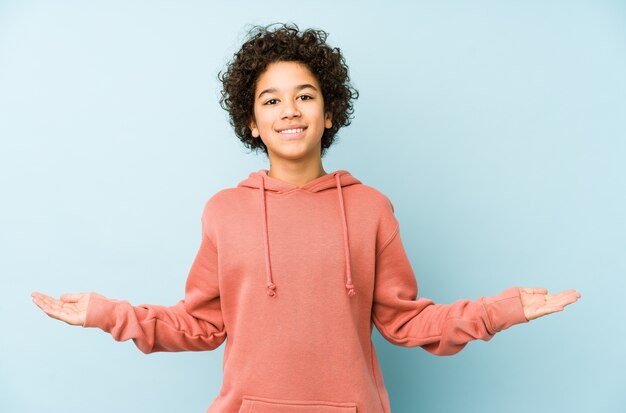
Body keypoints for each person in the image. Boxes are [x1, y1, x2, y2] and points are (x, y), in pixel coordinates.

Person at [32, 23, 581, 413]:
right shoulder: (224, 211)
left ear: (329, 112)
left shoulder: (369, 208)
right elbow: (200, 325)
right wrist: (109, 314)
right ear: (251, 122)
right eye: (270, 101)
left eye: (305, 96)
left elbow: (406, 322)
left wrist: (497, 311)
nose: (289, 110)